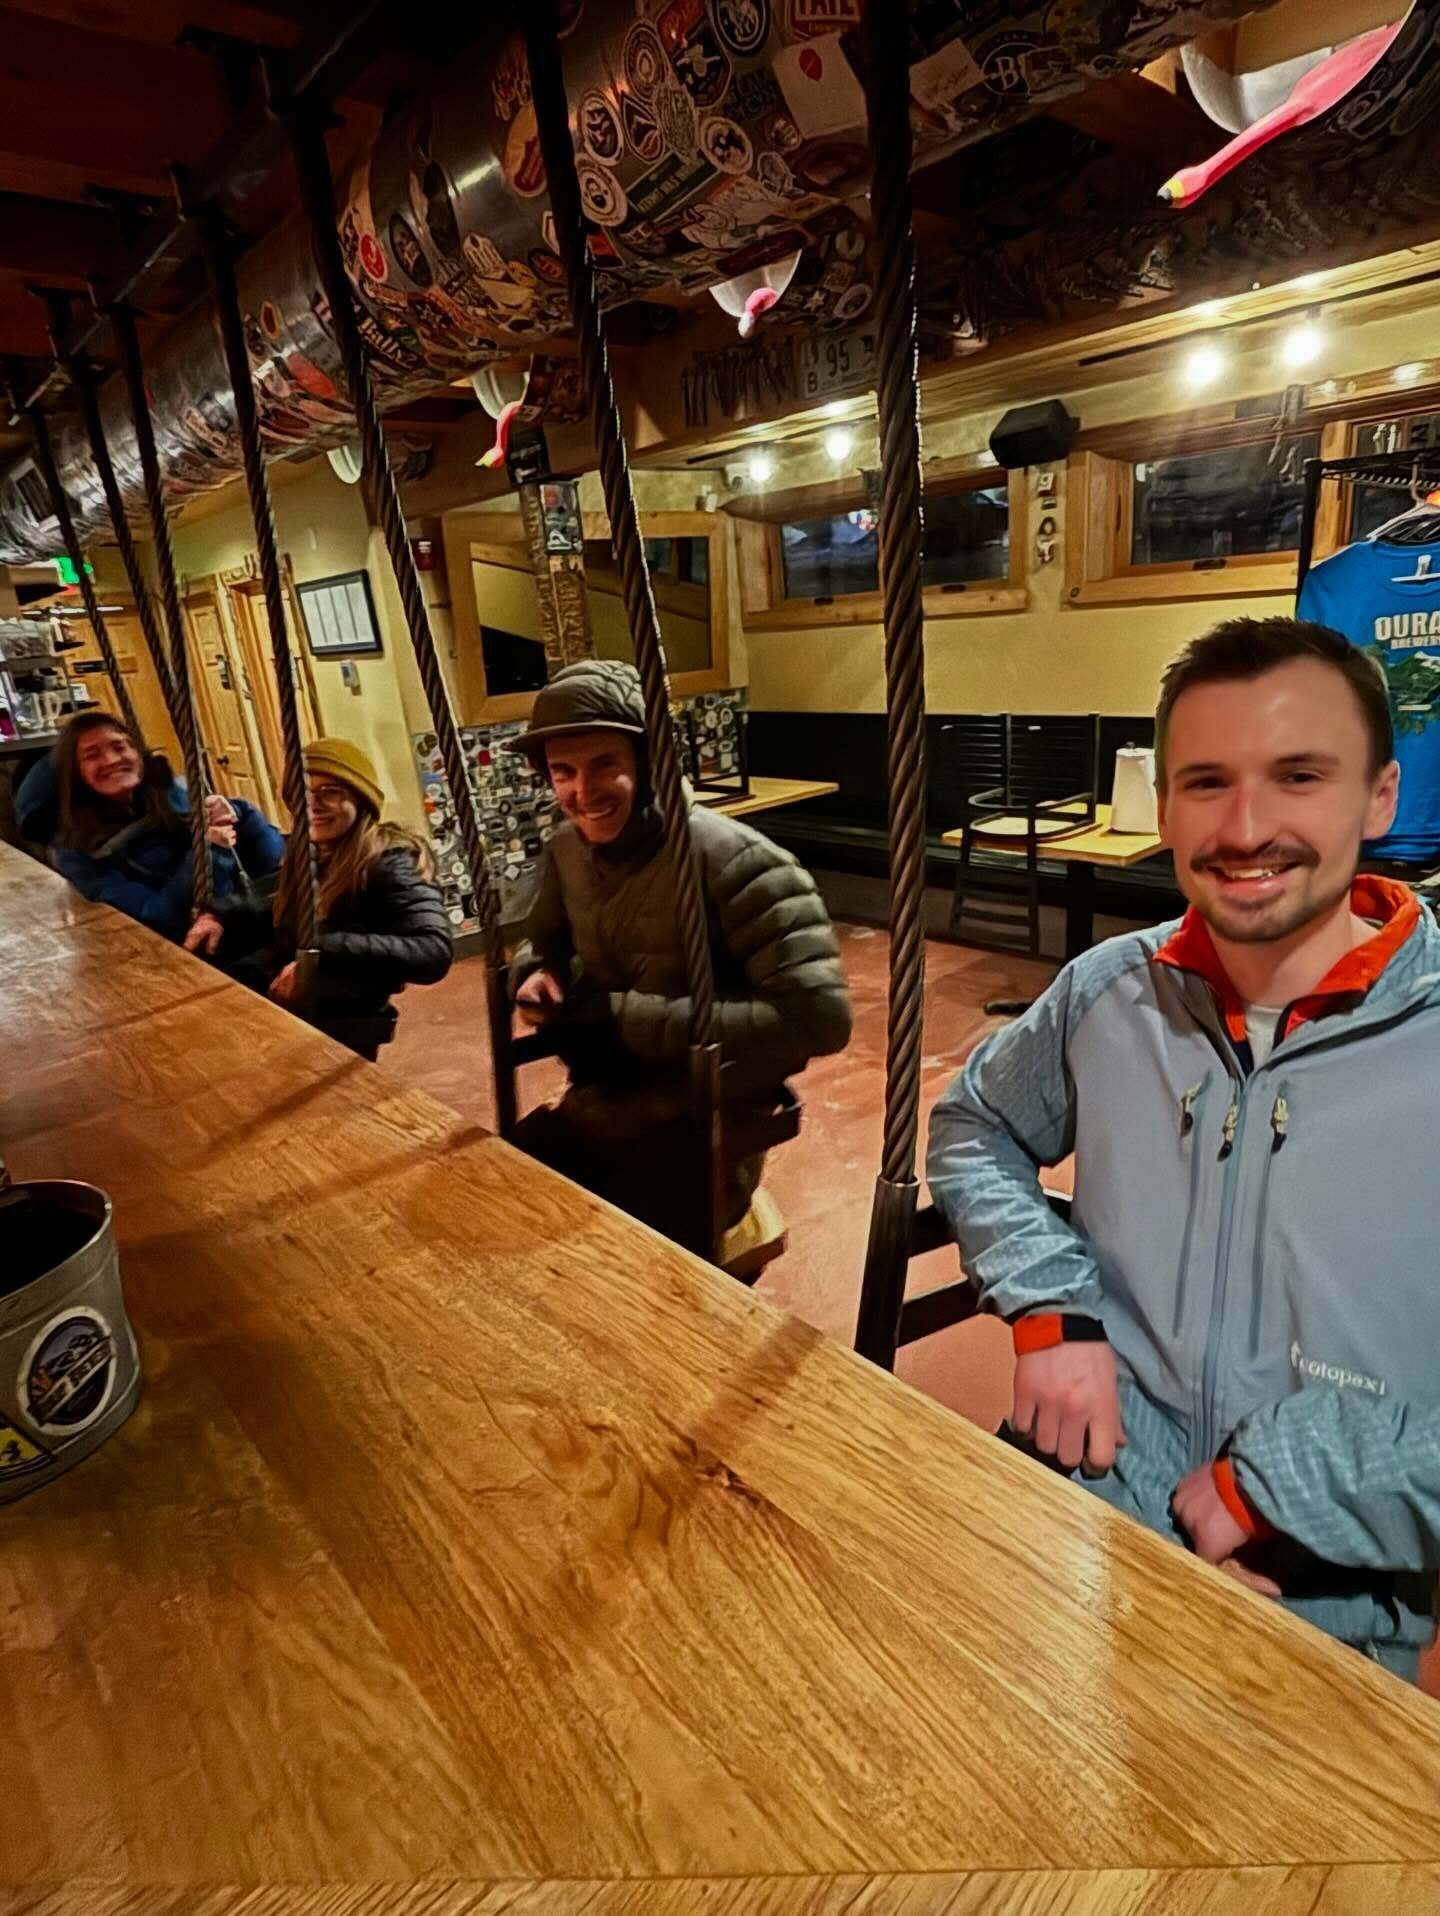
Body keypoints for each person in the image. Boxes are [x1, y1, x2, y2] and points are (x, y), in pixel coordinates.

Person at [927, 616, 1440, 1681]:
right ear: (1162, 806)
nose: (1245, 825)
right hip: (1080, 1502)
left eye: (1299, 775)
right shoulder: (1108, 990)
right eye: (1205, 781)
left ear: (1379, 795)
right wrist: (1049, 1306)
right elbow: (975, 1122)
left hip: (1323, 1584)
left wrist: (1288, 1483)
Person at [508, 659, 852, 1253]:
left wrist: (623, 1017)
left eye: (604, 765)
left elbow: (819, 1019)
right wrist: (535, 973)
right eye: (562, 772)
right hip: (611, 1090)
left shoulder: (738, 861)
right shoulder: (568, 851)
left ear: (648, 762)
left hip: (707, 1113)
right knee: (510, 1190)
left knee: (624, 1259)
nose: (582, 793)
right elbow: (543, 937)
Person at [185, 736, 452, 1055]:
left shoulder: (386, 861)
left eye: (331, 792)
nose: (313, 803)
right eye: (304, 792)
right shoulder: (316, 853)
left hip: (338, 1018)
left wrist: (320, 950)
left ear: (360, 799)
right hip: (298, 1004)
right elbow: (283, 904)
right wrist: (221, 914)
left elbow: (433, 951)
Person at [16, 710, 282, 942]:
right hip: (189, 954)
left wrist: (239, 815)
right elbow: (155, 917)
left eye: (120, 747)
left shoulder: (176, 796)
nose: (111, 760)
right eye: (92, 755)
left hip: (247, 920)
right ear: (76, 773)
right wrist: (210, 852)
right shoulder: (79, 851)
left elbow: (273, 861)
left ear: (138, 753)